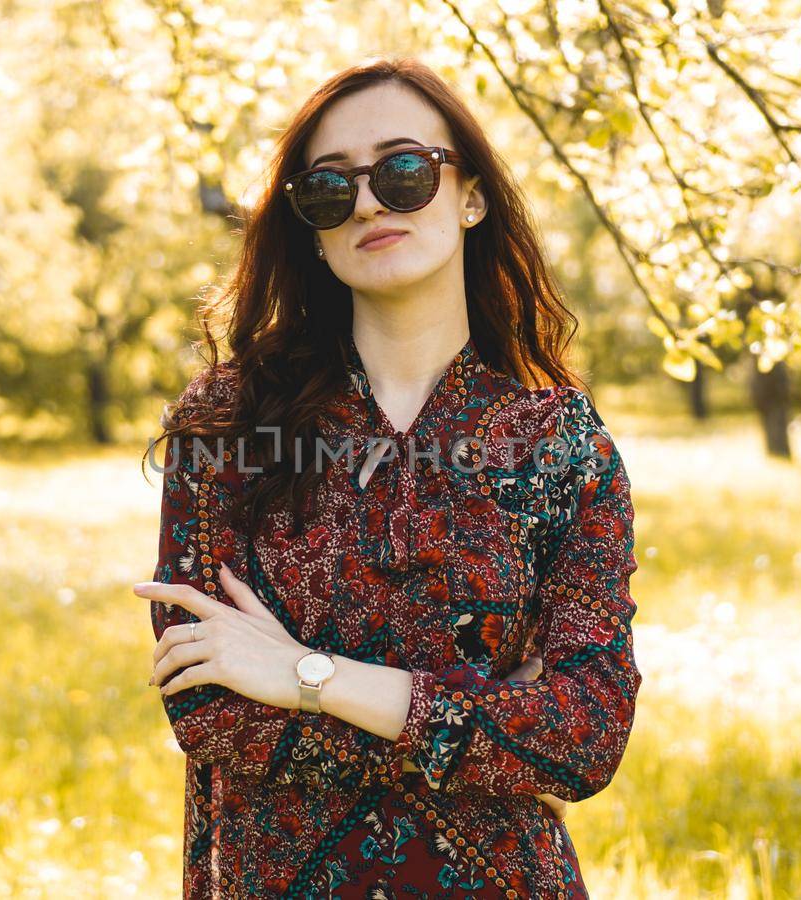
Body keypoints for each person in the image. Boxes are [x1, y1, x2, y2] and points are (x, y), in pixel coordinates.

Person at [133, 56, 642, 899]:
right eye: (331, 190)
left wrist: (306, 676)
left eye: (404, 171)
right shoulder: (228, 426)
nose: (369, 200)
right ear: (314, 230)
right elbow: (210, 709)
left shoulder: (559, 444)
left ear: (469, 195)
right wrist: (486, 718)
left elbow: (585, 737)